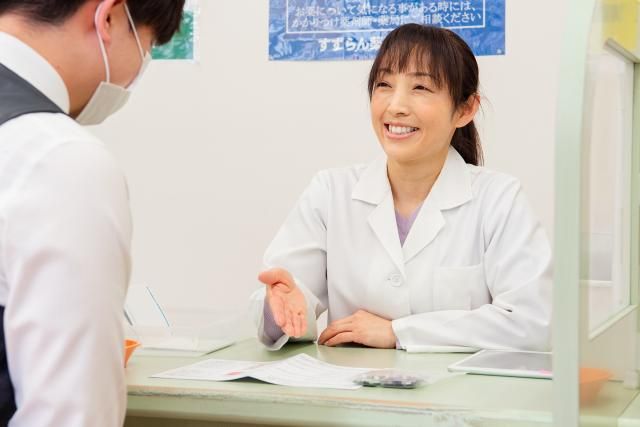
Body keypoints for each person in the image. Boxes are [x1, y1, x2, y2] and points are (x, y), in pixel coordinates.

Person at [251, 24, 552, 353]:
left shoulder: (499, 199)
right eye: (384, 85)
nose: (396, 105)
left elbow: (531, 323)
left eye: (420, 87)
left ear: (465, 109)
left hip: (454, 386)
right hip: (350, 384)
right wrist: (280, 310)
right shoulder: (331, 192)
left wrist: (399, 333)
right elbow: (289, 298)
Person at [0, 0, 183, 425]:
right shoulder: (55, 156)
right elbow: (71, 413)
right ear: (109, 17)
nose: (137, 71)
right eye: (147, 46)